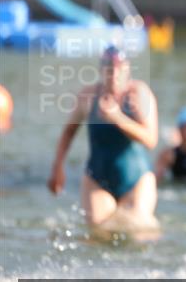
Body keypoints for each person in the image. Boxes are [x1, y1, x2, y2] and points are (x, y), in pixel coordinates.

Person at [47, 45, 160, 241]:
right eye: (109, 68)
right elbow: (68, 133)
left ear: (127, 70)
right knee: (98, 235)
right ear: (101, 71)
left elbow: (151, 140)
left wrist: (117, 118)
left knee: (140, 233)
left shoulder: (139, 94)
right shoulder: (88, 96)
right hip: (97, 177)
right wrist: (57, 167)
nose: (114, 74)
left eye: (119, 68)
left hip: (136, 178)